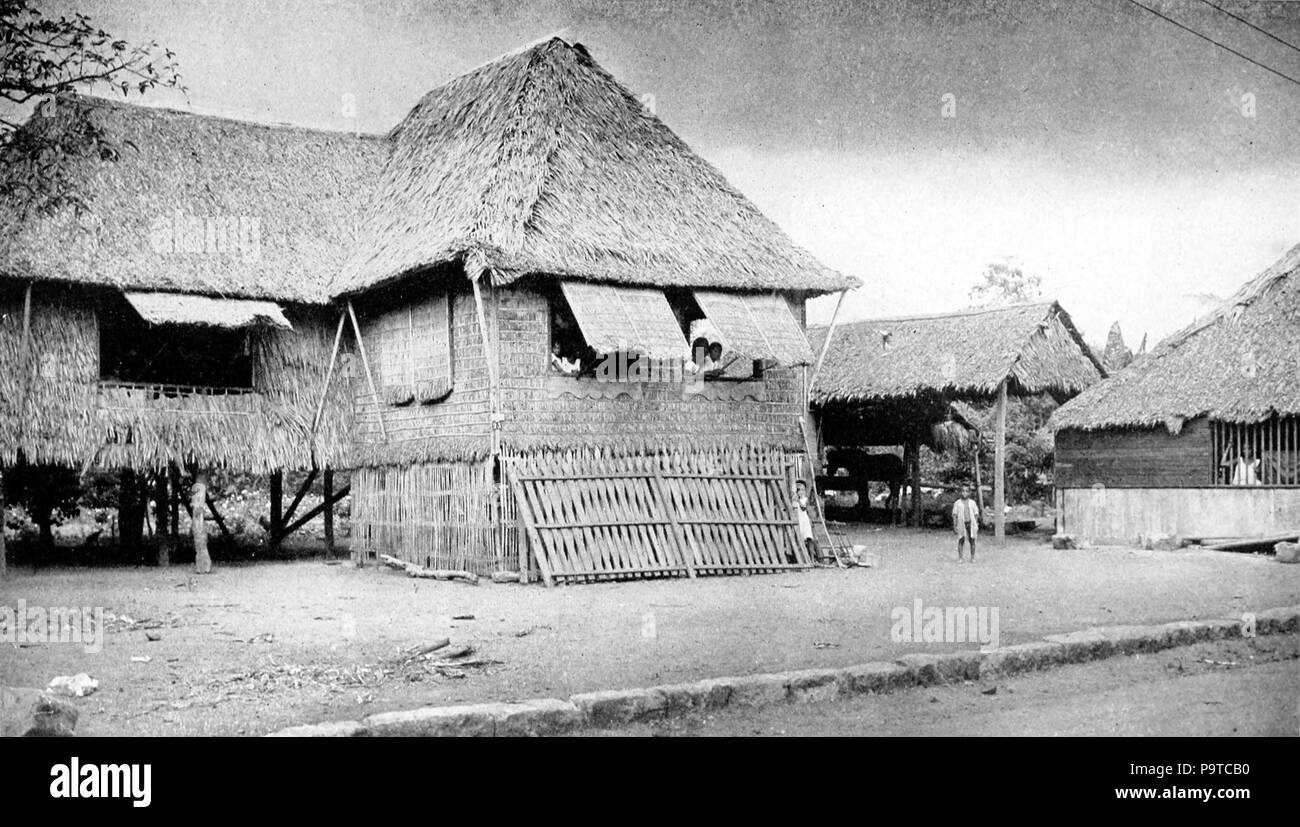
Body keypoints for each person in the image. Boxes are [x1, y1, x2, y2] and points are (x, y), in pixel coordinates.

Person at [952, 483, 979, 562]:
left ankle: (973, 557)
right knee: (961, 539)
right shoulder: (957, 503)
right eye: (963, 491)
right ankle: (960, 557)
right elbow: (954, 514)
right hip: (961, 523)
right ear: (960, 492)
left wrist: (976, 523)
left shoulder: (972, 503)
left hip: (970, 523)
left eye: (967, 491)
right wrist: (955, 525)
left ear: (969, 492)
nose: (965, 493)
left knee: (972, 540)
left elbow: (976, 513)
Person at [794, 479, 817, 562]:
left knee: (809, 538)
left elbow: (803, 508)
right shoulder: (795, 500)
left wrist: (798, 501)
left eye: (803, 490)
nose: (801, 492)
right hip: (798, 520)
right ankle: (802, 559)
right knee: (800, 539)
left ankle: (812, 558)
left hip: (805, 521)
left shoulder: (805, 499)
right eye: (799, 490)